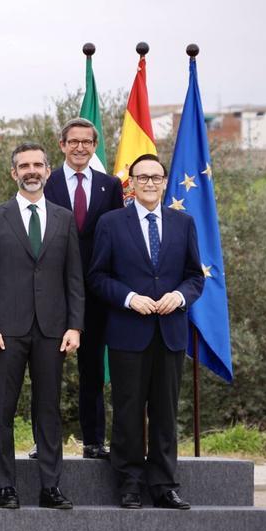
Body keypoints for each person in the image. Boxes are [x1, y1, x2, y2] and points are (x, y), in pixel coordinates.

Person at [88, 154, 205, 510]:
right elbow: (97, 276)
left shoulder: (183, 223)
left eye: (156, 177)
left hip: (169, 332)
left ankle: (164, 484)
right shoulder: (111, 223)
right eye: (143, 177)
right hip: (128, 332)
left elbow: (195, 277)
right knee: (127, 411)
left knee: (166, 412)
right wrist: (128, 298)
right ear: (132, 183)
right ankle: (130, 483)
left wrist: (179, 296)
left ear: (165, 181)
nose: (150, 183)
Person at [0, 142, 83, 510]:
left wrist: (76, 326)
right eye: (24, 165)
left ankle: (50, 486)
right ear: (13, 173)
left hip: (53, 329)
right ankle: (6, 486)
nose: (31, 171)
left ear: (48, 171)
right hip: (6, 329)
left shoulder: (64, 218)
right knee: (3, 408)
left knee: (48, 409)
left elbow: (74, 278)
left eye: (38, 164)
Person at [43, 117, 125, 460]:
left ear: (95, 146)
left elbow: (119, 237)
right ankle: (44, 441)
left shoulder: (111, 186)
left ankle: (94, 440)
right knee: (48, 371)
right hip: (51, 290)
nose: (80, 147)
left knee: (92, 369)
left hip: (96, 293)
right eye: (73, 141)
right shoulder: (47, 183)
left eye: (86, 142)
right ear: (62, 145)